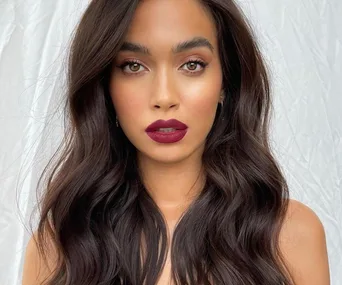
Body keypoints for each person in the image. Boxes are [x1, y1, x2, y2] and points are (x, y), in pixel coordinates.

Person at [22, 0, 330, 284]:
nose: (164, 97)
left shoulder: (290, 235)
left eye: (192, 64)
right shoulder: (59, 247)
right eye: (133, 66)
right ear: (105, 86)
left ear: (226, 82)